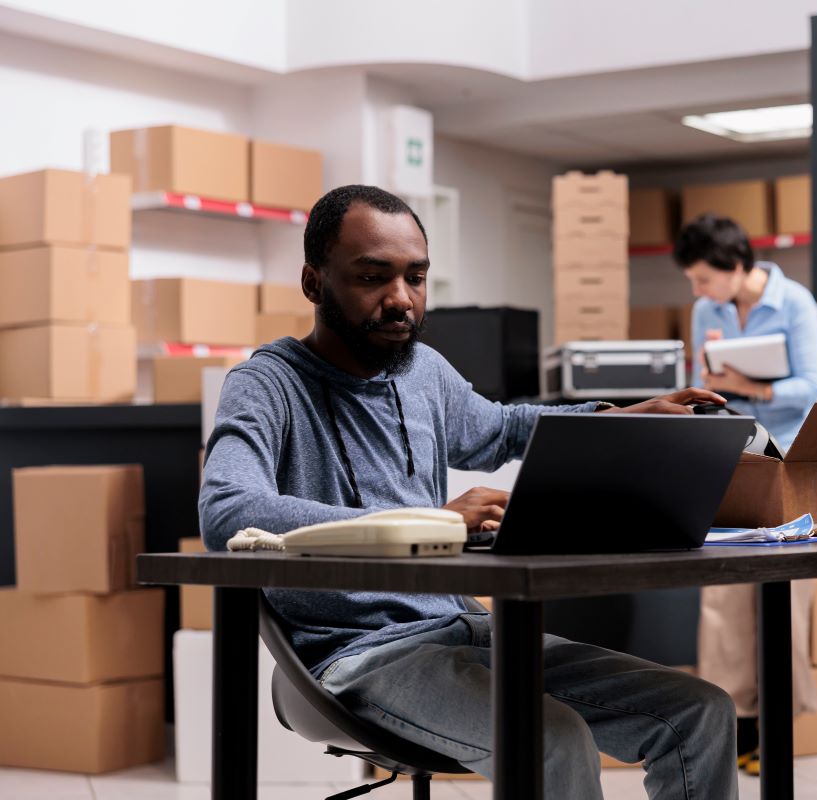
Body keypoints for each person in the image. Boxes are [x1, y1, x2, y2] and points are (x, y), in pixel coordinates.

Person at [199, 185, 740, 800]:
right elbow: (228, 512)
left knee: (702, 712)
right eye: (373, 277)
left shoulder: (422, 371)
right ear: (313, 281)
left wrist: (620, 416)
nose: (400, 299)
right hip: (359, 655)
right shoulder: (266, 384)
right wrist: (429, 519)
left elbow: (503, 428)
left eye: (416, 277)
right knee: (550, 738)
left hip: (466, 626)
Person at [674, 213, 817, 771]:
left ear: (736, 267)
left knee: (785, 596)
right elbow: (700, 378)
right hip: (730, 456)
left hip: (787, 462)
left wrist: (749, 386)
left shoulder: (795, 303)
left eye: (705, 280)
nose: (698, 292)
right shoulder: (704, 310)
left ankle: (778, 725)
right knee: (724, 594)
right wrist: (713, 390)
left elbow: (813, 387)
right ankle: (732, 723)